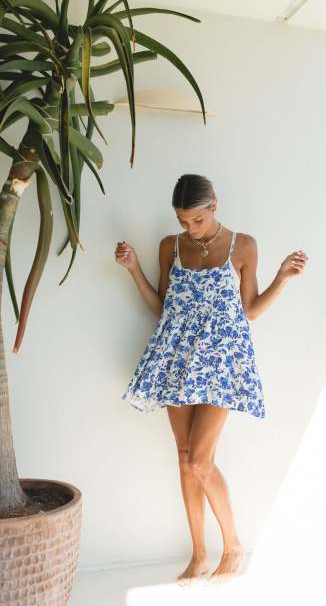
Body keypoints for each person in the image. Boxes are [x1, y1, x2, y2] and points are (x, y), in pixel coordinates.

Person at [114, 174, 308, 586]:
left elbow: (249, 310)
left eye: (197, 219)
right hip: (176, 357)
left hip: (222, 362)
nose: (190, 228)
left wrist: (282, 278)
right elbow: (163, 307)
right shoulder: (170, 246)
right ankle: (199, 554)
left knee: (200, 460)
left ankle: (233, 546)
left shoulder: (244, 245)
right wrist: (133, 270)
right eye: (183, 221)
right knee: (185, 456)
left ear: (214, 206)